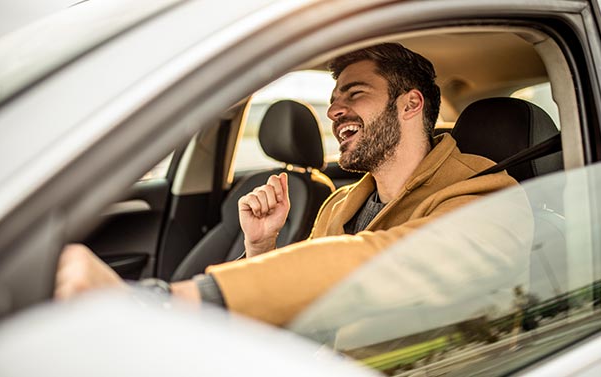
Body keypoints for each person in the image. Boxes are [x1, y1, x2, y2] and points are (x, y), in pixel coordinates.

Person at [55, 43, 518, 326]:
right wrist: (262, 246)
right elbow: (308, 301)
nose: (334, 110)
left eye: (355, 93)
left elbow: (381, 268)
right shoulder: (339, 204)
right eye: (334, 99)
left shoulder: (489, 194)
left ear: (410, 104)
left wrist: (169, 302)